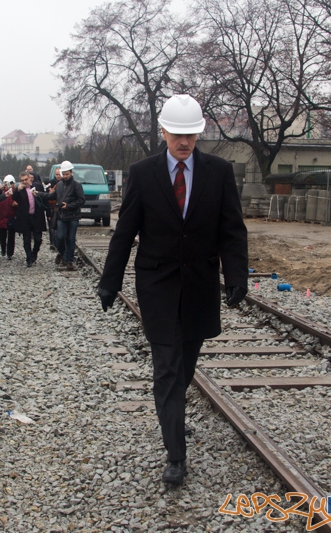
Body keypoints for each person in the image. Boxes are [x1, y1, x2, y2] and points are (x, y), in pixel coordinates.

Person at [97, 94, 249, 486]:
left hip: (199, 286)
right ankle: (176, 455)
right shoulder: (143, 173)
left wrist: (236, 277)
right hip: (158, 286)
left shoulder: (218, 172)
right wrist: (110, 282)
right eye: (177, 134)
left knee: (186, 362)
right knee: (167, 365)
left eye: (191, 135)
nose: (184, 142)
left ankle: (173, 412)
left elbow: (232, 231)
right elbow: (125, 232)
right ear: (163, 131)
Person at [34, 161, 84, 270]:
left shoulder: (77, 185)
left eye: (67, 174)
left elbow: (81, 200)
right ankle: (62, 253)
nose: (65, 176)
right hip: (61, 215)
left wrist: (69, 205)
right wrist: (39, 194)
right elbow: (51, 195)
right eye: (64, 174)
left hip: (73, 216)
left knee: (71, 239)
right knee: (60, 237)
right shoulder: (60, 185)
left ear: (71, 173)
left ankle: (69, 261)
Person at [13, 171, 47, 267]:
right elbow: (14, 198)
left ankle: (34, 253)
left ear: (30, 178)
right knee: (26, 240)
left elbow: (44, 198)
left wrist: (48, 213)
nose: (24, 182)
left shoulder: (37, 186)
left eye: (26, 180)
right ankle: (28, 258)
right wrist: (18, 190)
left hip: (36, 216)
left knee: (38, 239)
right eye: (22, 180)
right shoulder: (20, 189)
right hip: (25, 217)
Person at [0, 175, 17, 260]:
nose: (8, 185)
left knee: (11, 237)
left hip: (11, 218)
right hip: (1, 217)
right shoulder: (0, 192)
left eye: (10, 183)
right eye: (6, 183)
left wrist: (15, 205)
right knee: (2, 236)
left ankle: (10, 253)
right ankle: (3, 249)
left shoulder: (16, 193)